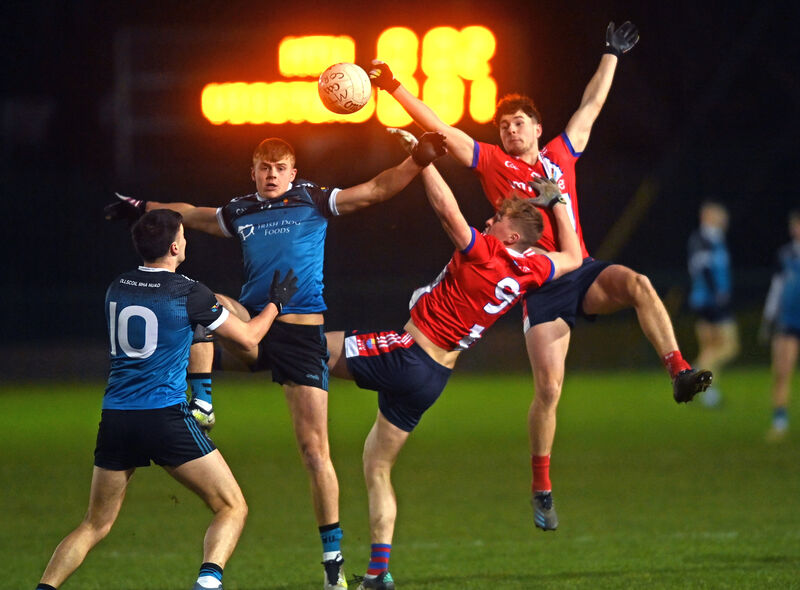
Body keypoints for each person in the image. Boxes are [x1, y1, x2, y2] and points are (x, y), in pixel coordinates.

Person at [368, 20, 712, 532]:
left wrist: (611, 54)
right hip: (537, 285)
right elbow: (439, 127)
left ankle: (679, 370)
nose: (511, 129)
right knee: (549, 389)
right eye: (505, 124)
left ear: (536, 126)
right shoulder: (492, 164)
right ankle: (542, 486)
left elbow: (590, 107)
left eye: (520, 122)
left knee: (638, 284)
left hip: (580, 269)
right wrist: (394, 85)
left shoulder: (559, 155)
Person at [104, 134, 446, 589]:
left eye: (279, 167)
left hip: (302, 336)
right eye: (263, 167)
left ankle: (333, 567)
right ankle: (202, 401)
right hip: (255, 328)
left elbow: (377, 189)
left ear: (292, 171)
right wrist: (141, 205)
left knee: (314, 452)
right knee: (205, 304)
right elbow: (193, 215)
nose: (270, 174)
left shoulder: (314, 200)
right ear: (253, 171)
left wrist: (417, 158)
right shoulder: (243, 210)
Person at [325, 129, 582, 590]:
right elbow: (574, 256)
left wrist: (422, 160)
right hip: (434, 378)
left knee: (308, 349)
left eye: (500, 218)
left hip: (408, 353)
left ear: (515, 235)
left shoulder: (490, 254)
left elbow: (447, 212)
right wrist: (558, 198)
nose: (491, 220)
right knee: (376, 464)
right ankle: (379, 573)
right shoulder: (533, 270)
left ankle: (222, 358)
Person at [35, 209, 298, 590]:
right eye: (184, 236)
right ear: (175, 246)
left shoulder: (117, 287)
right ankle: (207, 583)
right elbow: (248, 340)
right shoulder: (189, 292)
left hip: (116, 419)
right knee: (232, 507)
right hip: (164, 418)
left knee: (95, 525)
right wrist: (276, 303)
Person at [687, 201, 740, 407]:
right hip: (709, 301)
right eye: (720, 215)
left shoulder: (714, 239)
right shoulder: (703, 239)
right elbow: (704, 268)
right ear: (708, 217)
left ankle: (708, 393)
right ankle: (696, 372)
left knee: (710, 347)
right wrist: (718, 293)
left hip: (707, 300)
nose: (725, 219)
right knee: (729, 346)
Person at [761, 209, 800, 442]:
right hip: (788, 320)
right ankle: (779, 420)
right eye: (796, 225)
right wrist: (768, 318)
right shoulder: (784, 254)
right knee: (782, 371)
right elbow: (776, 288)